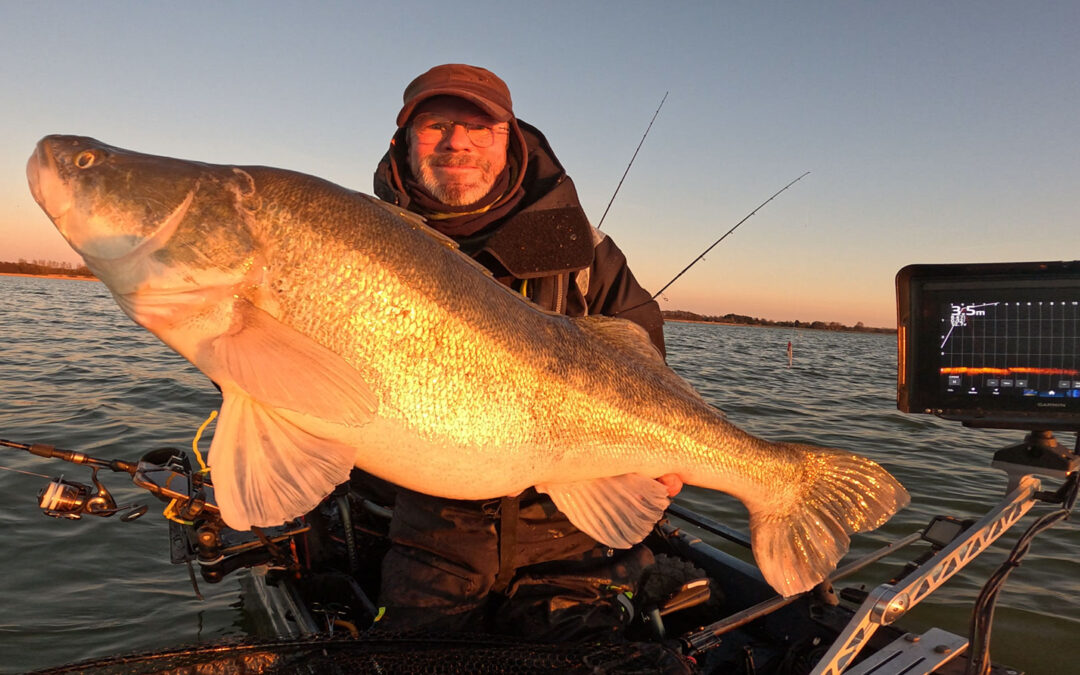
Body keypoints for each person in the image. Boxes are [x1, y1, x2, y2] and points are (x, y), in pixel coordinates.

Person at [366, 63, 680, 640]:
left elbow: (646, 363)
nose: (458, 142)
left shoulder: (582, 248)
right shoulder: (362, 244)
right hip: (433, 536)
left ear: (509, 140)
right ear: (402, 142)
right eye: (435, 125)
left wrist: (658, 457)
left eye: (481, 127)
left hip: (578, 539)